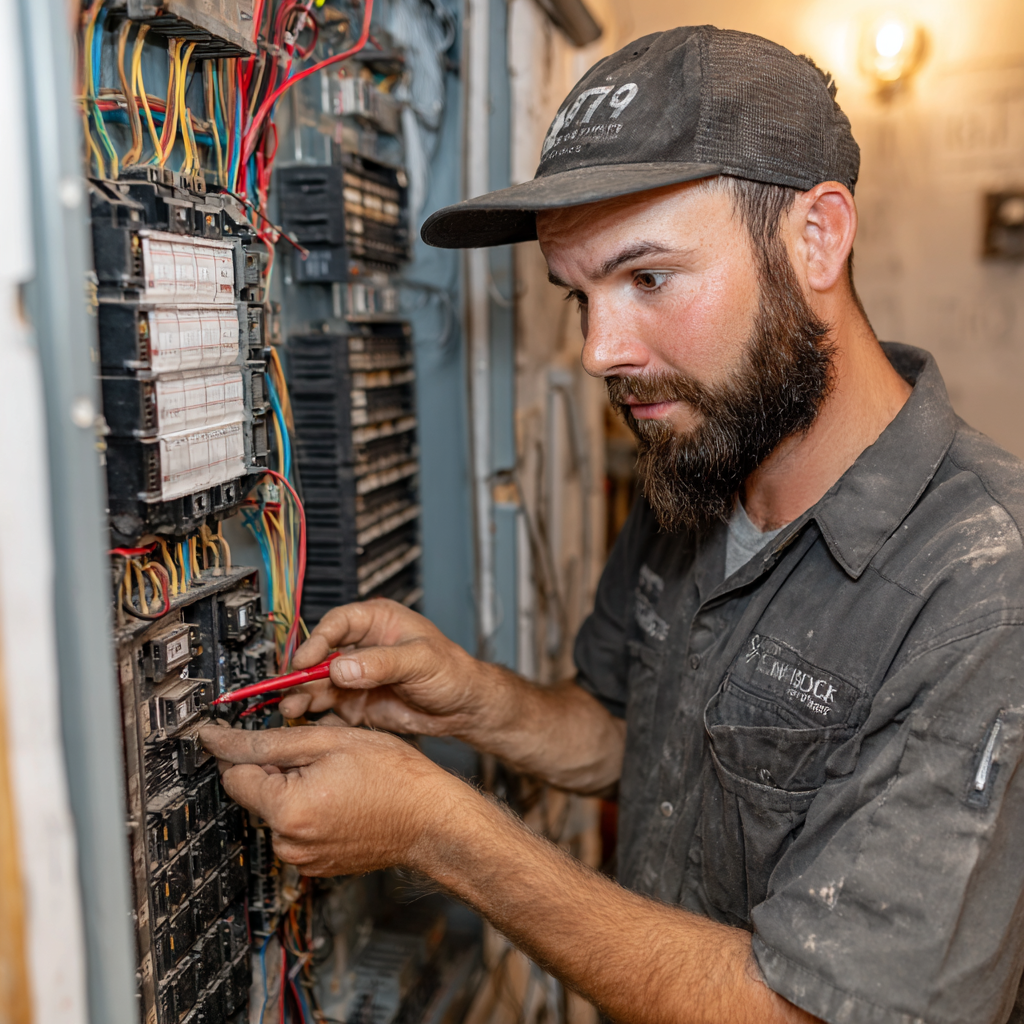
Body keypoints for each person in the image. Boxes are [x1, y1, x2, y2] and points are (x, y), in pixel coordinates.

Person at [201, 26, 1024, 1024]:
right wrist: (467, 701)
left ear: (815, 237)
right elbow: (633, 734)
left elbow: (811, 1011)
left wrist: (434, 827)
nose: (599, 350)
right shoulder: (706, 451)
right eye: (578, 296)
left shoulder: (984, 587)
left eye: (646, 279)